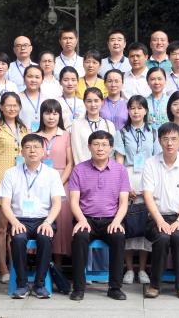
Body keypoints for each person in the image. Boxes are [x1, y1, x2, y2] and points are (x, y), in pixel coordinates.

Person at [0, 133, 65, 299]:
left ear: (43, 151)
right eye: (28, 147)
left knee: (44, 238)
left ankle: (39, 285)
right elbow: (5, 204)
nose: (32, 151)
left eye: (36, 147)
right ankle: (21, 285)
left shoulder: (52, 174)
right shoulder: (10, 173)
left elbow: (57, 203)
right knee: (18, 239)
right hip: (19, 219)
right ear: (21, 152)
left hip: (44, 219)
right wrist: (14, 222)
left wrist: (48, 222)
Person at [68, 130, 131, 301]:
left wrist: (117, 221)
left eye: (104, 145)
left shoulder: (120, 170)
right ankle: (78, 288)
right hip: (86, 218)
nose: (100, 148)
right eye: (96, 144)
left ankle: (115, 287)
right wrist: (81, 220)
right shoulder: (79, 169)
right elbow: (73, 201)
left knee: (118, 236)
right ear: (89, 147)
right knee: (79, 237)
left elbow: (123, 202)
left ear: (111, 148)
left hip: (111, 219)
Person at [141, 122, 179, 299]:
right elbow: (147, 195)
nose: (169, 143)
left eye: (174, 139)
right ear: (159, 141)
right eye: (165, 139)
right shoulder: (150, 163)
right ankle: (154, 285)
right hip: (156, 217)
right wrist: (159, 220)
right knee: (162, 237)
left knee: (178, 237)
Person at [115, 95, 160, 285]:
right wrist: (125, 186)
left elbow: (157, 159)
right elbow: (119, 161)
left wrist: (151, 186)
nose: (136, 111)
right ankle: (129, 269)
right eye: (132, 108)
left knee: (144, 224)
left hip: (148, 177)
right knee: (128, 224)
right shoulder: (122, 132)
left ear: (146, 110)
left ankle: (142, 269)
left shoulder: (154, 132)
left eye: (140, 108)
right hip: (128, 177)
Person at [0, 91, 28, 283]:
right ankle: (3, 269)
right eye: (8, 105)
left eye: (15, 105)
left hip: (21, 183)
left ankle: (16, 267)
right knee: (1, 228)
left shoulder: (25, 129)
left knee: (17, 228)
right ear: (1, 107)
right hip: (0, 181)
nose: (12, 108)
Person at [37, 99, 74, 266]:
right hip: (39, 183)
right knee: (43, 218)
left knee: (61, 220)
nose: (51, 117)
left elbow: (70, 163)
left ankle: (57, 265)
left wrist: (58, 183)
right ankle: (44, 261)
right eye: (47, 113)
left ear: (59, 116)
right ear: (41, 115)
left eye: (55, 113)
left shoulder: (66, 135)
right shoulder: (36, 136)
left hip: (62, 181)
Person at [69, 88, 116, 164]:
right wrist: (84, 169)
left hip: (104, 168)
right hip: (84, 168)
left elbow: (111, 151)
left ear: (102, 102)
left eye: (96, 101)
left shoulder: (109, 125)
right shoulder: (77, 124)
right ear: (84, 102)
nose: (93, 104)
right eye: (89, 101)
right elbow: (77, 151)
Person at [18, 64, 46, 131]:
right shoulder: (17, 98)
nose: (33, 80)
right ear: (24, 78)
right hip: (23, 135)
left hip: (43, 135)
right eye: (30, 76)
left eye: (37, 77)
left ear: (42, 79)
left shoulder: (46, 99)